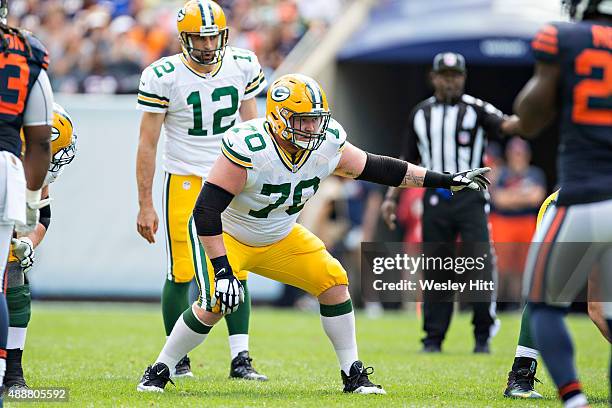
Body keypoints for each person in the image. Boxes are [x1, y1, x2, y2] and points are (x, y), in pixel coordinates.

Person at [136, 73, 491, 394]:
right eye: (302, 120)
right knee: (216, 302)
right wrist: (225, 270)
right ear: (277, 119)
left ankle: (353, 374)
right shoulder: (250, 147)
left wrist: (444, 179)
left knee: (334, 282)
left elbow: (379, 167)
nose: (310, 128)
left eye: (315, 120)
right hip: (228, 233)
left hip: (279, 235)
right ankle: (159, 370)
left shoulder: (326, 143)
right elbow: (205, 210)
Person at [135, 0, 267, 380]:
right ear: (183, 39)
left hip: (230, 176)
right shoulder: (164, 75)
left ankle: (241, 358)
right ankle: (177, 358)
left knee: (236, 266)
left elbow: (252, 127)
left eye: (213, 37)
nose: (208, 46)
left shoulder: (242, 64)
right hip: (185, 177)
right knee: (181, 271)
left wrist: (257, 177)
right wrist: (145, 203)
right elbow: (147, 143)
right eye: (199, 38)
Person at [505, 0, 612, 405]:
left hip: (581, 194)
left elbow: (529, 115)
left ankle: (547, 385)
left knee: (544, 297)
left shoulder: (565, 38)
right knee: (603, 312)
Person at [381, 52, 518, 353]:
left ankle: (482, 336)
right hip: (435, 198)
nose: (450, 81)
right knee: (437, 270)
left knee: (479, 265)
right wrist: (392, 197)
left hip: (470, 197)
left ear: (463, 78)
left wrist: (529, 115)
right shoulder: (420, 113)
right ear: (433, 77)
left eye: (455, 75)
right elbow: (407, 159)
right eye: (444, 75)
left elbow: (506, 126)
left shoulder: (476, 109)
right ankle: (433, 338)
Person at [3, 104, 77, 391]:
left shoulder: (33, 169)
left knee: (17, 285)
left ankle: (12, 373)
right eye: (51, 152)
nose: (53, 161)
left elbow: (43, 214)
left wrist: (27, 243)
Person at [0, 0, 53, 389]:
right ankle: (4, 376)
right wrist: (29, 201)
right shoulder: (27, 50)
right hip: (6, 167)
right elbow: (39, 141)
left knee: (13, 274)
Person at [490, 137, 546, 304]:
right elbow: (498, 199)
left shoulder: (535, 173)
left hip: (526, 222)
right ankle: (498, 304)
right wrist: (522, 196)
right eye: (514, 153)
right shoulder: (502, 173)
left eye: (520, 153)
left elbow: (537, 197)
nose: (517, 156)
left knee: (523, 267)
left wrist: (511, 197)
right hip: (503, 223)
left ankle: (518, 303)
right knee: (500, 267)